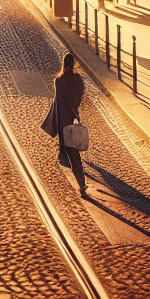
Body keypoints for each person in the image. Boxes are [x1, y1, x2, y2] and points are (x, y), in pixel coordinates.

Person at [41, 52, 89, 196]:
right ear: (73, 64)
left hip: (63, 123)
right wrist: (75, 109)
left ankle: (80, 183)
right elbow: (80, 93)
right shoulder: (77, 79)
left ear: (63, 64)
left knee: (70, 153)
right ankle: (82, 186)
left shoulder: (58, 81)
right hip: (73, 120)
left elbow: (56, 104)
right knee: (75, 155)